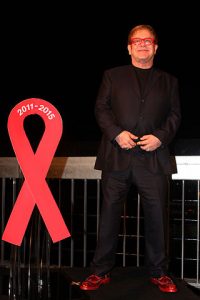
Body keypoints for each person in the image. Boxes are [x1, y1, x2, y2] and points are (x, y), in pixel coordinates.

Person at [80, 24, 181, 293]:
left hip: (154, 157)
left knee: (157, 217)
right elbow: (101, 108)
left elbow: (175, 116)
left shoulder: (169, 81)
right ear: (128, 47)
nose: (143, 44)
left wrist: (160, 136)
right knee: (109, 216)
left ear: (156, 47)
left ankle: (159, 272)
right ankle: (99, 271)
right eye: (137, 41)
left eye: (148, 41)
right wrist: (115, 134)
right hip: (117, 156)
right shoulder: (112, 75)